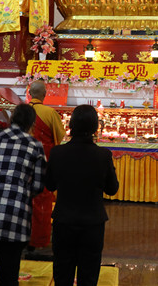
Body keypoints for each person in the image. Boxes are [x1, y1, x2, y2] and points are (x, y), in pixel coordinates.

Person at [45, 105, 119, 286]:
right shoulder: (103, 155)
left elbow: (49, 184)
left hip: (64, 220)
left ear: (71, 125)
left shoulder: (58, 152)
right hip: (92, 222)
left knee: (63, 272)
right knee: (89, 274)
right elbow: (112, 189)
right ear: (95, 127)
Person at [0, 104, 45, 286]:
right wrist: (20, 192)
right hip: (15, 217)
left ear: (11, 119)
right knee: (8, 276)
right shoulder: (35, 145)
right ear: (32, 123)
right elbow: (39, 185)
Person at [29, 80, 65, 250]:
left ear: (29, 93)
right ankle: (40, 239)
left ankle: (24, 236)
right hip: (44, 161)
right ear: (44, 95)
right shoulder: (49, 113)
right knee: (43, 200)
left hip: (22, 161)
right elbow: (60, 137)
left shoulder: (22, 111)